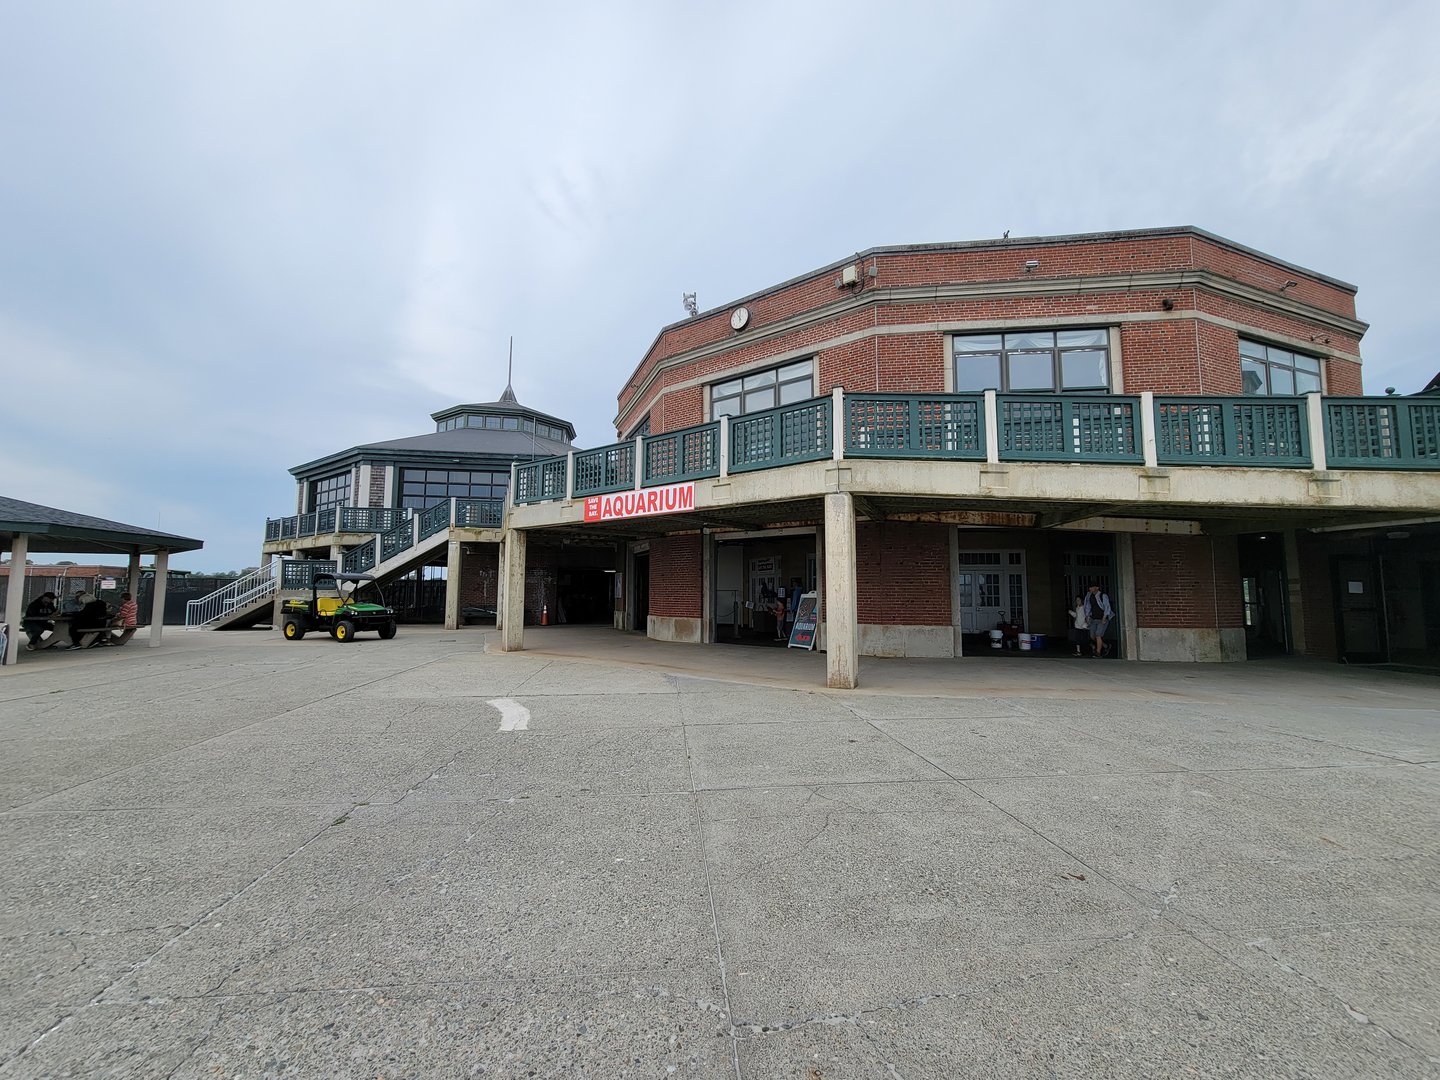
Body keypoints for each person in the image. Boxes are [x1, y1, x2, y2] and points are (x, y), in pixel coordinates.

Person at [1085, 583, 1114, 658]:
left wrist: (1104, 618)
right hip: (1094, 619)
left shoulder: (1103, 596)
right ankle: (1105, 646)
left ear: (1097, 588)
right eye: (1090, 588)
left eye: (1092, 587)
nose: (1090, 589)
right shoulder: (1089, 596)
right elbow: (1088, 606)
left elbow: (1107, 607)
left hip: (1102, 619)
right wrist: (1087, 617)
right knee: (1092, 635)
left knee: (1098, 635)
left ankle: (1098, 652)